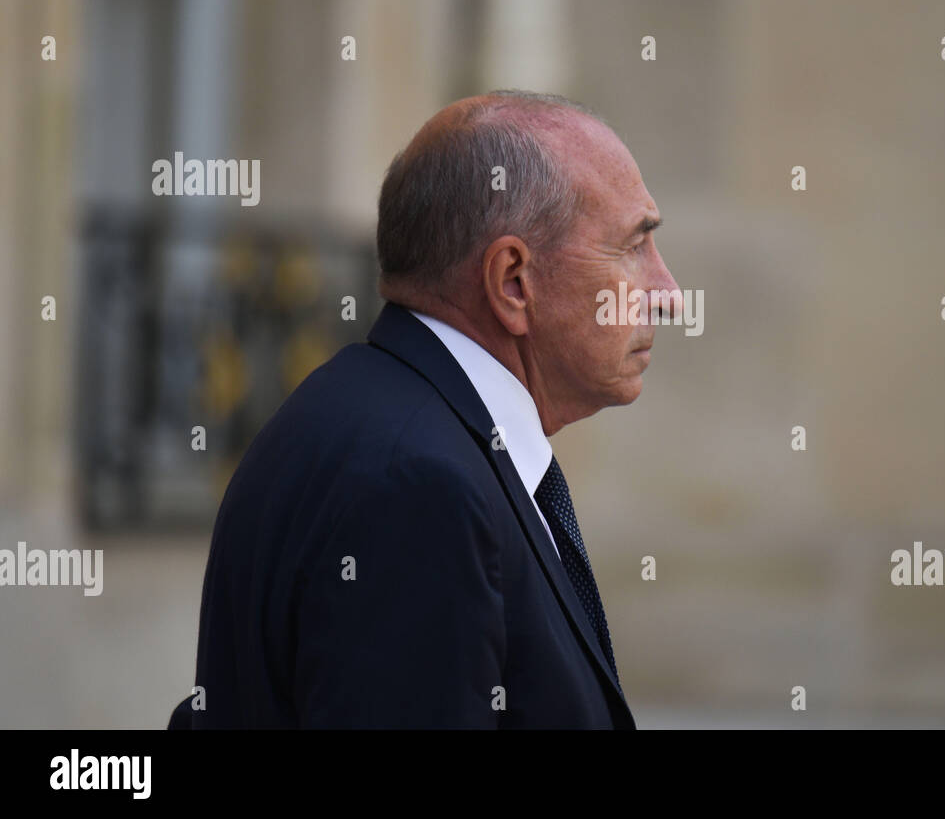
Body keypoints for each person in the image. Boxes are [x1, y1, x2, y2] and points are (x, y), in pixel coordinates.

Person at [168, 89, 679, 728]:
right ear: (514, 282)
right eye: (634, 246)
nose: (668, 293)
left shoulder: (376, 420)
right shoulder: (416, 483)